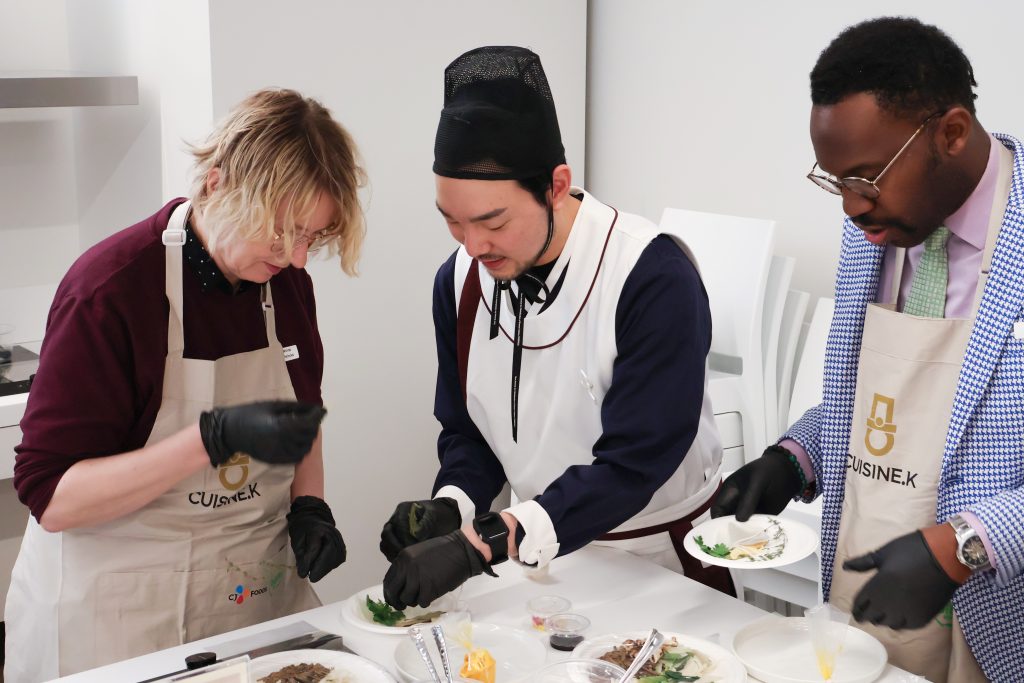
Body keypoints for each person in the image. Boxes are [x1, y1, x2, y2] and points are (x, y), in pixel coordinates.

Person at [4, 88, 363, 681]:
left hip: (246, 601)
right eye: (281, 233)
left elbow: (304, 414)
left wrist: (309, 504)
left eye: (311, 238)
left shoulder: (284, 285)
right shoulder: (111, 290)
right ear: (218, 184)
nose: (298, 258)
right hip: (119, 615)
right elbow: (52, 496)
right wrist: (207, 441)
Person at [712, 17, 1024, 682]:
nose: (852, 208)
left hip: (1001, 633)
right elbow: (888, 406)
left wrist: (966, 545)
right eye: (836, 183)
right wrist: (794, 457)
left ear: (951, 133)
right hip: (864, 607)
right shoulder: (879, 229)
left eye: (865, 177)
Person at [379, 45, 729, 611]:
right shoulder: (460, 281)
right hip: (534, 563)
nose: (473, 247)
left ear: (556, 186)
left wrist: (486, 542)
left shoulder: (650, 275)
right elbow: (470, 429)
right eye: (452, 222)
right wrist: (455, 504)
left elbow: (634, 464)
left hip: (659, 566)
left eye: (492, 221)